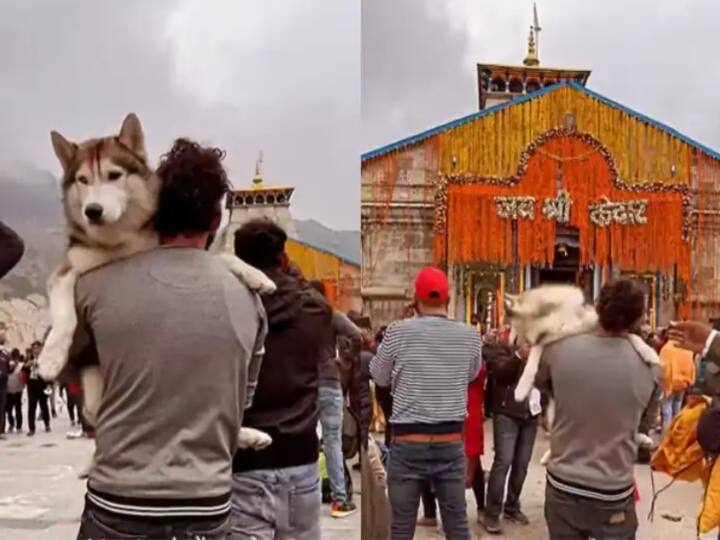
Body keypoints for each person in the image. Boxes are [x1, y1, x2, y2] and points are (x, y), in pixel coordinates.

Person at [69, 139, 267, 540]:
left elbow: (78, 378)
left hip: (117, 505)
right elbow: (240, 404)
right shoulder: (249, 300)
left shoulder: (92, 287)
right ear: (215, 223)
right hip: (207, 506)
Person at [535, 279, 661, 540]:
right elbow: (643, 425)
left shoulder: (558, 350)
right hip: (613, 490)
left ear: (597, 307)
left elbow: (544, 384)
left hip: (564, 486)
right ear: (639, 317)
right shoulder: (651, 367)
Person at [232, 218, 332, 540]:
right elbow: (310, 295)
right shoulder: (313, 310)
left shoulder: (229, 310)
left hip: (244, 460)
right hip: (299, 456)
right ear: (283, 257)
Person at [370, 266, 482, 540]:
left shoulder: (398, 332)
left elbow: (378, 375)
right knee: (457, 526)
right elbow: (471, 374)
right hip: (451, 440)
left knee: (401, 528)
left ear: (415, 299)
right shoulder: (470, 336)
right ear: (448, 299)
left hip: (408, 443)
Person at [308, 280, 361, 518]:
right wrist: (345, 359)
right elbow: (358, 335)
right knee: (332, 443)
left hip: (305, 385)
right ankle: (339, 500)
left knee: (305, 440)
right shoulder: (333, 316)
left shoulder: (300, 318)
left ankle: (306, 498)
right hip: (329, 382)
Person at [482, 339, 539, 534]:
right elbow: (498, 373)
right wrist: (519, 356)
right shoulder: (503, 347)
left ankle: (512, 506)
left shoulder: (543, 349)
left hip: (531, 414)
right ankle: (491, 512)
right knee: (503, 461)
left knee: (522, 464)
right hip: (507, 413)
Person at [659, 337, 695, 430]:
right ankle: (676, 432)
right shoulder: (686, 348)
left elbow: (662, 367)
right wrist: (691, 380)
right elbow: (692, 365)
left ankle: (667, 435)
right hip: (683, 382)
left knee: (667, 410)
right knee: (677, 407)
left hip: (670, 382)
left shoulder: (666, 348)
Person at [24, 341, 51, 436]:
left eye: (37, 348)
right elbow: (23, 371)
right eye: (34, 348)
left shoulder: (45, 360)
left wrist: (49, 385)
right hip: (32, 386)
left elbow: (49, 373)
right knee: (31, 407)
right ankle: (32, 428)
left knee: (44, 406)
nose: (36, 350)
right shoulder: (29, 359)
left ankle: (47, 424)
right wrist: (26, 366)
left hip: (42, 386)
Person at [6, 348, 24, 434]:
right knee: (8, 409)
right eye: (13, 358)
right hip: (8, 390)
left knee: (18, 409)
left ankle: (19, 426)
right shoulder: (8, 365)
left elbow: (23, 378)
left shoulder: (21, 366)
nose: (14, 360)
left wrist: (22, 387)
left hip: (18, 391)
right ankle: (11, 423)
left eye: (16, 358)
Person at [0, 324, 9, 439]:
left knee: (2, 407)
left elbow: (9, 368)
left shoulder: (5, 354)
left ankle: (1, 430)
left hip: (2, 383)